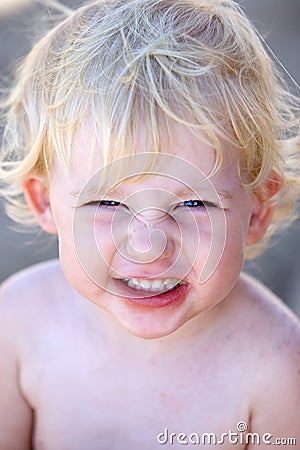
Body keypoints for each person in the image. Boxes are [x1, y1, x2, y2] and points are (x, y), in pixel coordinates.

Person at [0, 0, 299, 448]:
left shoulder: (276, 367)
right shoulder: (18, 324)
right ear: (44, 201)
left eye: (194, 203)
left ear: (257, 210)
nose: (149, 244)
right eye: (108, 202)